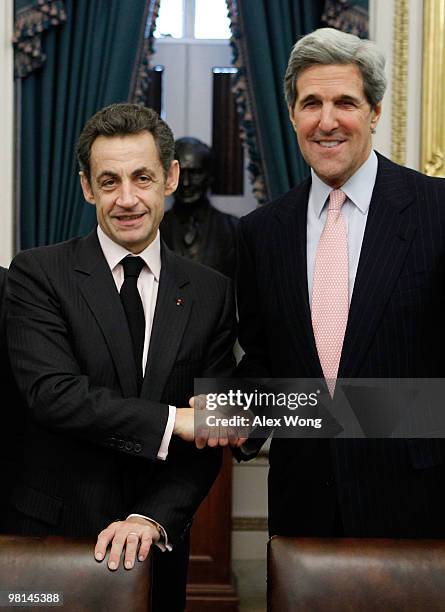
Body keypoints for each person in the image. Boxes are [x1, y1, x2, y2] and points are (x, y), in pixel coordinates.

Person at [6, 104, 239, 611]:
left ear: (170, 178)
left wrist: (150, 519)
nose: (127, 199)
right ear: (87, 187)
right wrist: (173, 421)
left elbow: (209, 434)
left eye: (142, 177)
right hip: (48, 545)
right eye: (109, 182)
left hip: (156, 548)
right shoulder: (37, 275)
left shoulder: (211, 292)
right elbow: (54, 396)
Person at [236, 28, 445, 538]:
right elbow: (266, 362)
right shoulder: (260, 232)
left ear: (374, 111)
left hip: (418, 505)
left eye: (344, 102)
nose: (326, 121)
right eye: (311, 103)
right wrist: (228, 414)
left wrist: (331, 410)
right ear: (291, 115)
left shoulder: (437, 211)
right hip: (301, 507)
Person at [161, 137, 238, 278]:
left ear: (210, 176)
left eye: (195, 173)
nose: (185, 183)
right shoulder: (155, 228)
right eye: (180, 174)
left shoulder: (233, 229)